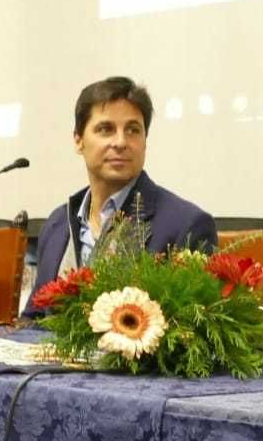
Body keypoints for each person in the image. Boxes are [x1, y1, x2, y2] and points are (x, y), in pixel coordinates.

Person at [25, 76, 216, 312]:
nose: (121, 142)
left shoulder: (185, 226)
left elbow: (193, 335)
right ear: (78, 140)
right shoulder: (57, 224)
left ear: (145, 140)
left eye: (133, 130)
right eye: (106, 129)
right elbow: (33, 320)